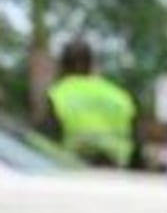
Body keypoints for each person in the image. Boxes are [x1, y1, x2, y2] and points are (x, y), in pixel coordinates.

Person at [44, 39, 141, 168]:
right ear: (92, 64)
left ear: (62, 65)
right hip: (117, 171)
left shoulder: (58, 95)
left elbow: (46, 143)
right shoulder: (120, 96)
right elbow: (137, 143)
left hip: (72, 170)